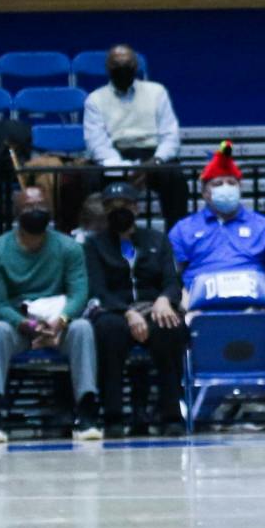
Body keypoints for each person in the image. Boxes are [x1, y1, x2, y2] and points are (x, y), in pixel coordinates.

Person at [0, 184, 100, 443]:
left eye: (41, 206)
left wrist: (62, 320)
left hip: (58, 323)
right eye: (29, 207)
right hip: (19, 325)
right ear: (16, 213)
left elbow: (79, 293)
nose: (36, 211)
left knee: (83, 328)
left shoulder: (69, 248)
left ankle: (87, 411)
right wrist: (25, 324)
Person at [83, 181, 188, 437]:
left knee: (170, 327)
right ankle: (113, 416)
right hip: (116, 311)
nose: (119, 211)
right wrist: (126, 312)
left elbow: (172, 280)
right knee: (109, 331)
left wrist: (165, 300)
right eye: (111, 207)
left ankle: (171, 414)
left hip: (154, 307)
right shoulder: (93, 245)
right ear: (105, 212)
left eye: (125, 205)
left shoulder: (157, 239)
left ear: (136, 208)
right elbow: (97, 288)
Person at [171, 143, 265, 309]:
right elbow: (170, 275)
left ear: (239, 189)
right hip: (199, 306)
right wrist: (187, 308)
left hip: (254, 305)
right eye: (217, 184)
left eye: (231, 183)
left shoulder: (264, 227)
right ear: (204, 192)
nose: (226, 188)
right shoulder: (183, 229)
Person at [82, 44, 188, 229]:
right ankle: (98, 238)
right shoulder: (95, 99)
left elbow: (170, 135)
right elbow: (96, 143)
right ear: (107, 68)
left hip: (152, 156)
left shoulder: (157, 91)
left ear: (136, 66)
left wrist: (154, 162)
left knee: (175, 178)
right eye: (117, 64)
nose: (122, 68)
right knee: (89, 179)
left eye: (127, 63)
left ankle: (176, 240)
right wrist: (126, 169)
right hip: (115, 157)